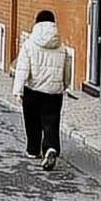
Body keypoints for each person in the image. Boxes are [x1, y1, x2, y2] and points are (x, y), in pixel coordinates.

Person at [12, 9, 73, 171]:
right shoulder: (61, 46)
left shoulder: (29, 43)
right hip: (54, 92)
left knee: (32, 121)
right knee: (51, 121)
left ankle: (33, 150)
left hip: (33, 90)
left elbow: (22, 69)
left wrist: (18, 91)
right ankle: (51, 147)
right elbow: (67, 68)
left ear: (36, 23)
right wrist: (64, 85)